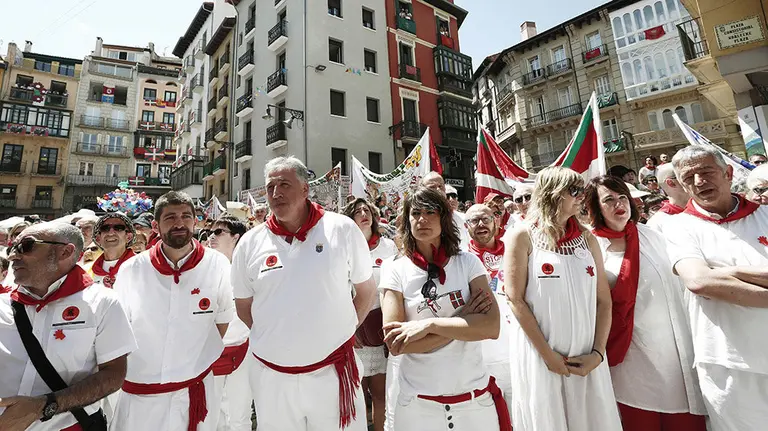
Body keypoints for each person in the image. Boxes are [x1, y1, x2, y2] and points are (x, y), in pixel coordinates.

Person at [232, 156, 377, 431]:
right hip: (273, 377)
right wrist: (278, 335)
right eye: (270, 186)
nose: (276, 193)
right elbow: (243, 305)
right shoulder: (250, 243)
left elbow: (366, 290)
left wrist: (343, 328)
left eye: (284, 184)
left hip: (334, 373)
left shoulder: (342, 229)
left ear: (305, 189)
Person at [379, 188, 508, 431]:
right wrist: (465, 320)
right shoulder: (395, 270)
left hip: (473, 404)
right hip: (418, 407)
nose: (422, 219)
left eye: (430, 212)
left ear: (444, 219)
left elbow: (491, 326)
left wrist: (429, 325)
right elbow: (396, 344)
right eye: (415, 213)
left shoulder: (468, 262)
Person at [504, 166, 621, 431]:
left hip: (586, 355)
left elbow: (603, 300)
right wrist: (548, 355)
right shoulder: (522, 236)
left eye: (582, 190)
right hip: (542, 354)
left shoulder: (588, 239)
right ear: (552, 193)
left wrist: (598, 354)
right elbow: (515, 300)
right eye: (574, 190)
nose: (581, 196)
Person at [585, 176, 706, 431]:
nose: (619, 204)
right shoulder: (590, 247)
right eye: (608, 200)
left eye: (622, 198)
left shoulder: (654, 235)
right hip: (629, 358)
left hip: (675, 353)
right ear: (595, 207)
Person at [111, 191, 234, 431]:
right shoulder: (132, 269)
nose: (179, 223)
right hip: (141, 395)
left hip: (194, 390)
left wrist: (190, 360)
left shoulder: (217, 264)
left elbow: (222, 320)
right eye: (170, 218)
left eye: (186, 216)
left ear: (195, 221)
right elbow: (118, 329)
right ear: (156, 225)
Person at [665, 145, 768, 431]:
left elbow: (713, 279)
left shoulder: (765, 215)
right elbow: (699, 281)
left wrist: (727, 273)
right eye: (689, 177)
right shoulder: (678, 227)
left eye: (706, 172)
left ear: (728, 173)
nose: (699, 181)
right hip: (729, 365)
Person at [0, 222, 136, 431]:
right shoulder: (2, 305)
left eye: (26, 246)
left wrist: (43, 406)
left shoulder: (102, 303)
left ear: (65, 252)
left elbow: (113, 375)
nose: (12, 256)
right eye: (12, 247)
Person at [342, 198, 397, 431]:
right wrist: (350, 329)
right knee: (355, 397)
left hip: (381, 330)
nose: (363, 213)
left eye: (367, 210)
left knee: (380, 394)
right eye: (357, 211)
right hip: (353, 331)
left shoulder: (388, 247)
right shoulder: (343, 246)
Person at [464, 204, 515, 417]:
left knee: (519, 417)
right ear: (466, 227)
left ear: (496, 221)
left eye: (485, 219)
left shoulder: (516, 251)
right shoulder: (460, 259)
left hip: (515, 351)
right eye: (474, 221)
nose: (481, 224)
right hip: (478, 357)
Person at [207, 216, 253, 431]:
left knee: (239, 415)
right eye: (210, 232)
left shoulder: (251, 269)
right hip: (209, 353)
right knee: (208, 417)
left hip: (244, 350)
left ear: (236, 238)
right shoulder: (202, 269)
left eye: (219, 232)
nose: (211, 236)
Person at [421, 172, 470, 250]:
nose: (438, 190)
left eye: (440, 186)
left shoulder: (462, 218)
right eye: (432, 187)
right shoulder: (417, 218)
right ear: (423, 191)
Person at [90, 212, 136, 289]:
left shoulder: (142, 265)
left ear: (128, 237)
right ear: (98, 239)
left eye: (118, 228)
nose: (111, 232)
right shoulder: (87, 270)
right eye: (105, 228)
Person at [647, 163, 690, 234]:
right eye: (688, 177)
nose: (698, 180)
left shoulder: (707, 209)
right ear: (671, 183)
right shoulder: (657, 223)